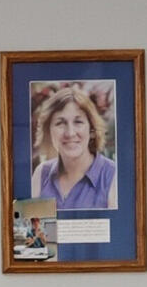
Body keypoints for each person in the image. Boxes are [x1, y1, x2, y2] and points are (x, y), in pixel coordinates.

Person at [27, 83, 117, 213]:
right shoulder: (41, 174)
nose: (70, 133)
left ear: (92, 130)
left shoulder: (112, 175)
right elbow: (30, 232)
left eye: (78, 122)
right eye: (60, 123)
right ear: (49, 131)